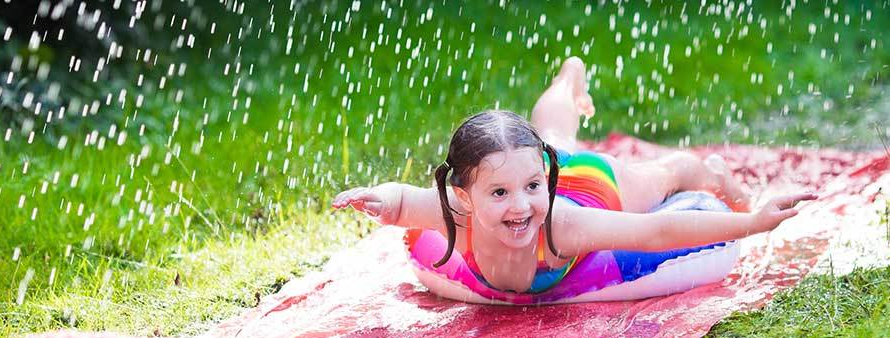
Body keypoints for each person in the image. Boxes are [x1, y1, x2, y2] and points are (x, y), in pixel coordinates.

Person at [332, 56, 814, 294]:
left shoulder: (558, 225)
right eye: (498, 193)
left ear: (542, 179)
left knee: (667, 175)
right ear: (464, 196)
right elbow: (399, 204)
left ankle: (712, 172)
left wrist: (752, 222)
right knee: (555, 134)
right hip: (548, 168)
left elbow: (656, 230)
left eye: (527, 189)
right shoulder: (453, 215)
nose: (520, 207)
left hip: (591, 186)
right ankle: (568, 80)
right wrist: (374, 197)